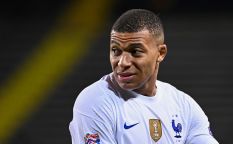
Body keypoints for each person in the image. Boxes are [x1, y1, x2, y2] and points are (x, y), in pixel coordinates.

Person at [69, 9, 219, 144]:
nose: (122, 62)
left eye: (135, 51)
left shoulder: (183, 105)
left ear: (160, 53)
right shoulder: (96, 101)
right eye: (116, 51)